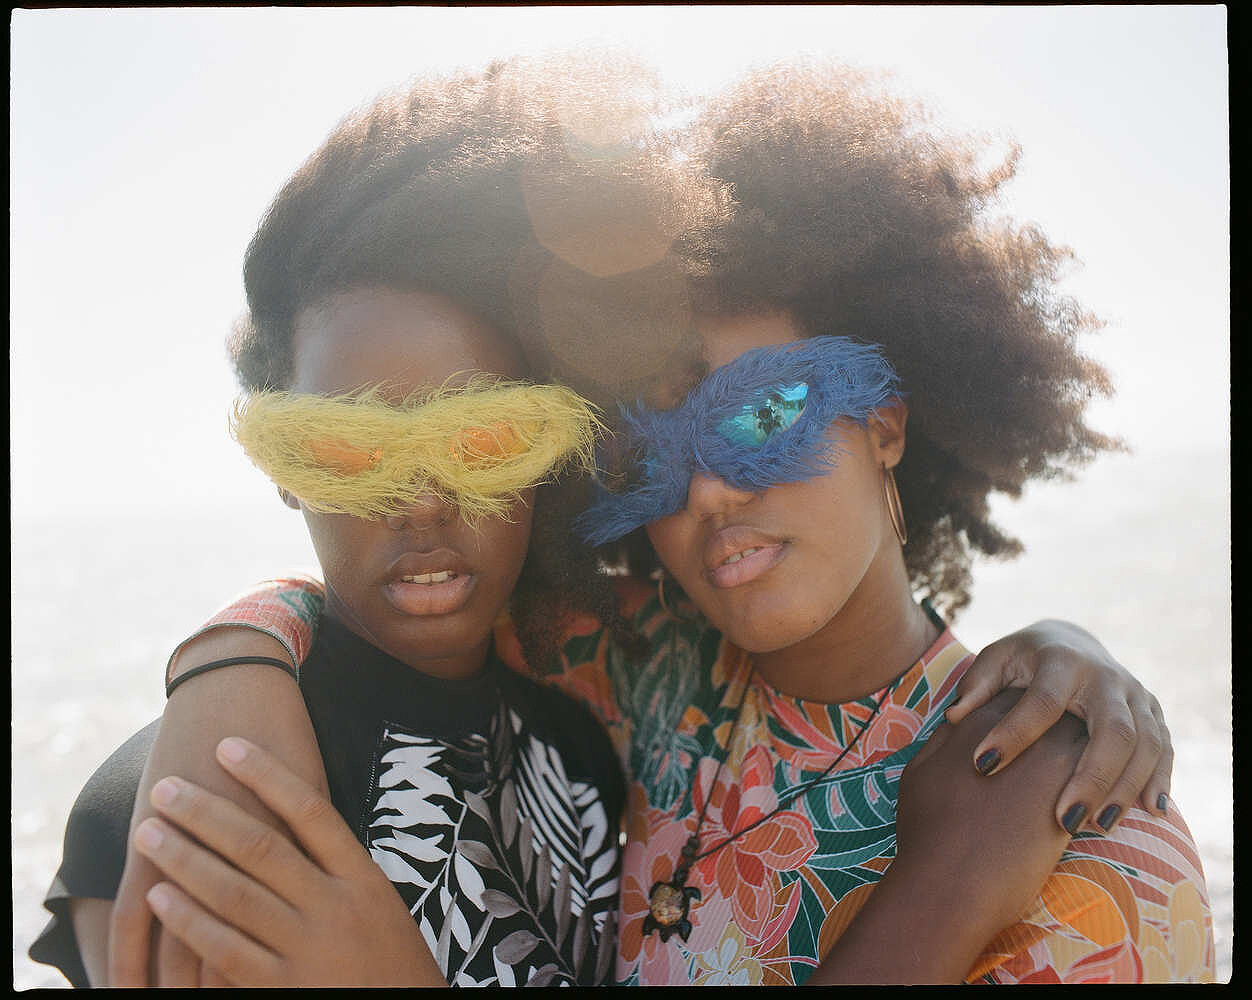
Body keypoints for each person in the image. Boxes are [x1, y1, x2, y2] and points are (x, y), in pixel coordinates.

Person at [35, 57, 1204, 986]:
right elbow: (393, 618)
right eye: (648, 452)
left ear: (886, 419)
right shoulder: (633, 670)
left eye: (763, 415)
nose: (707, 493)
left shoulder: (1092, 842)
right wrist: (233, 654)